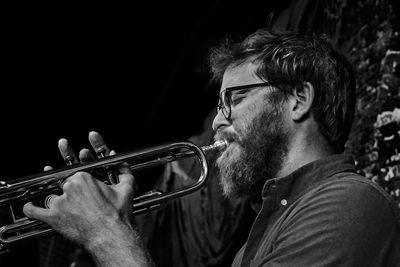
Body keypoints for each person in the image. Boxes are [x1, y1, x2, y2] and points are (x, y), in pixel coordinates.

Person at [22, 29, 400, 266]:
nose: (219, 121)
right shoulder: (268, 228)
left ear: (298, 100)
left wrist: (106, 231)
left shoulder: (347, 202)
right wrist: (111, 228)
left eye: (233, 99)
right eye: (219, 106)